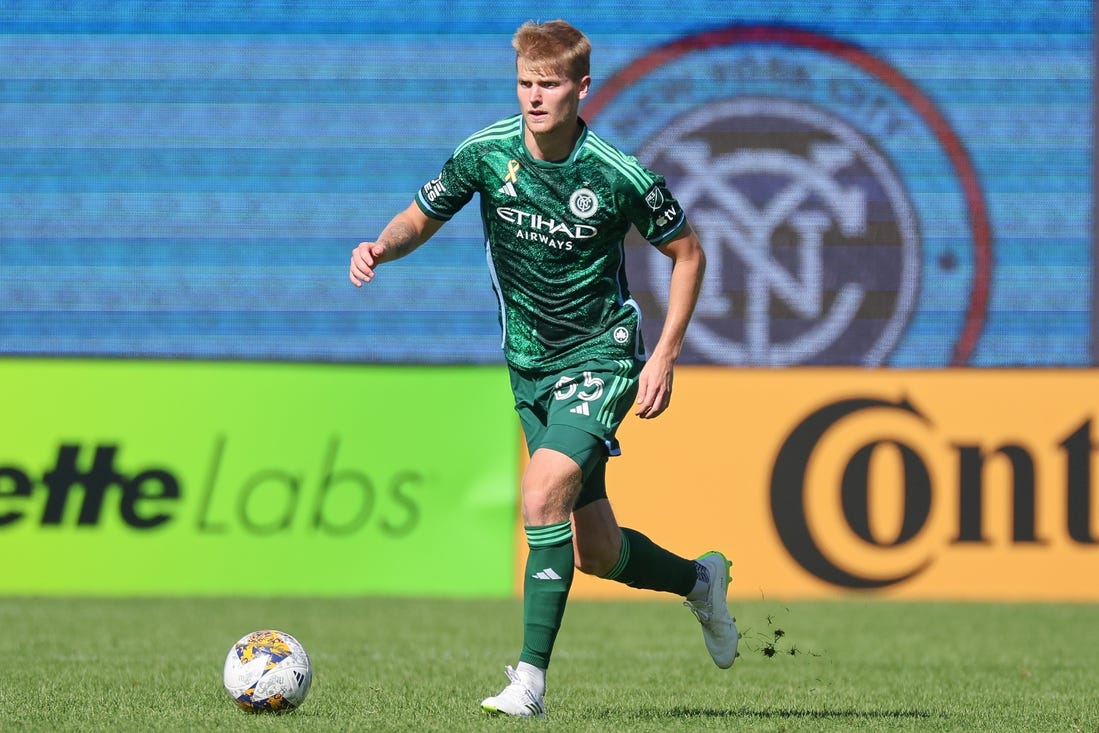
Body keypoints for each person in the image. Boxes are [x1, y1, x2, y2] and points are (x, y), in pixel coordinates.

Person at [349, 19, 738, 718]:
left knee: (540, 491)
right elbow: (420, 214)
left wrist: (665, 355)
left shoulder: (616, 174)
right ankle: (699, 582)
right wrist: (381, 246)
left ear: (580, 89)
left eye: (549, 85)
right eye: (525, 83)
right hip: (528, 366)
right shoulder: (486, 153)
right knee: (597, 550)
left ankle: (529, 680)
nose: (534, 97)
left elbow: (688, 252)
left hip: (602, 354)